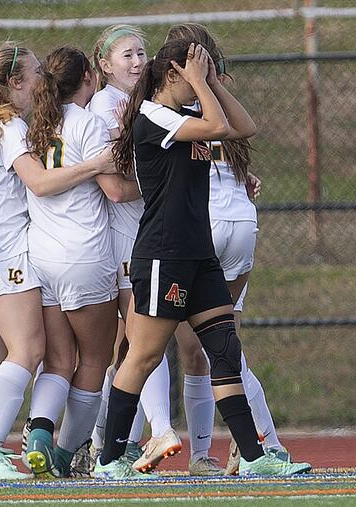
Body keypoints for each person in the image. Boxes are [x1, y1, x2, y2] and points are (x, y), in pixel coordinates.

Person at [92, 40, 312, 480]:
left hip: (200, 256)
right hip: (164, 255)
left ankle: (253, 456)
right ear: (173, 74)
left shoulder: (189, 115)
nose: (200, 83)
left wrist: (209, 80)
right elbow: (216, 123)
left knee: (225, 353)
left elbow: (242, 127)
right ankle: (109, 460)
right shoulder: (153, 117)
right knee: (144, 356)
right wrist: (198, 81)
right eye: (193, 73)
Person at [0, 44, 116, 480]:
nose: (45, 80)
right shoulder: (10, 127)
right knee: (28, 351)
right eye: (37, 73)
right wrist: (97, 163)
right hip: (6, 252)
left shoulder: (12, 125)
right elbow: (40, 182)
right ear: (15, 84)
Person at [164, 22, 290, 476]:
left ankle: (196, 450)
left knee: (175, 348)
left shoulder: (166, 105)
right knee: (222, 342)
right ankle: (264, 443)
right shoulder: (221, 100)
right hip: (239, 224)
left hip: (202, 228)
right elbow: (239, 138)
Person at [21, 46, 141, 479]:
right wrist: (168, 180)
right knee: (94, 360)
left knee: (57, 361)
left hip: (43, 256)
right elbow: (116, 191)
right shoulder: (88, 124)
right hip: (85, 255)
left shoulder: (34, 125)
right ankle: (67, 453)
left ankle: (39, 433)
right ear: (89, 77)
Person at [87, 24, 183, 475]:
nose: (137, 61)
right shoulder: (105, 108)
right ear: (104, 65)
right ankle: (157, 428)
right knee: (145, 341)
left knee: (131, 350)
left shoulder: (148, 104)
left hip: (147, 234)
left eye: (142, 53)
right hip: (125, 240)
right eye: (126, 55)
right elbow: (116, 188)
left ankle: (104, 441)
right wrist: (166, 181)